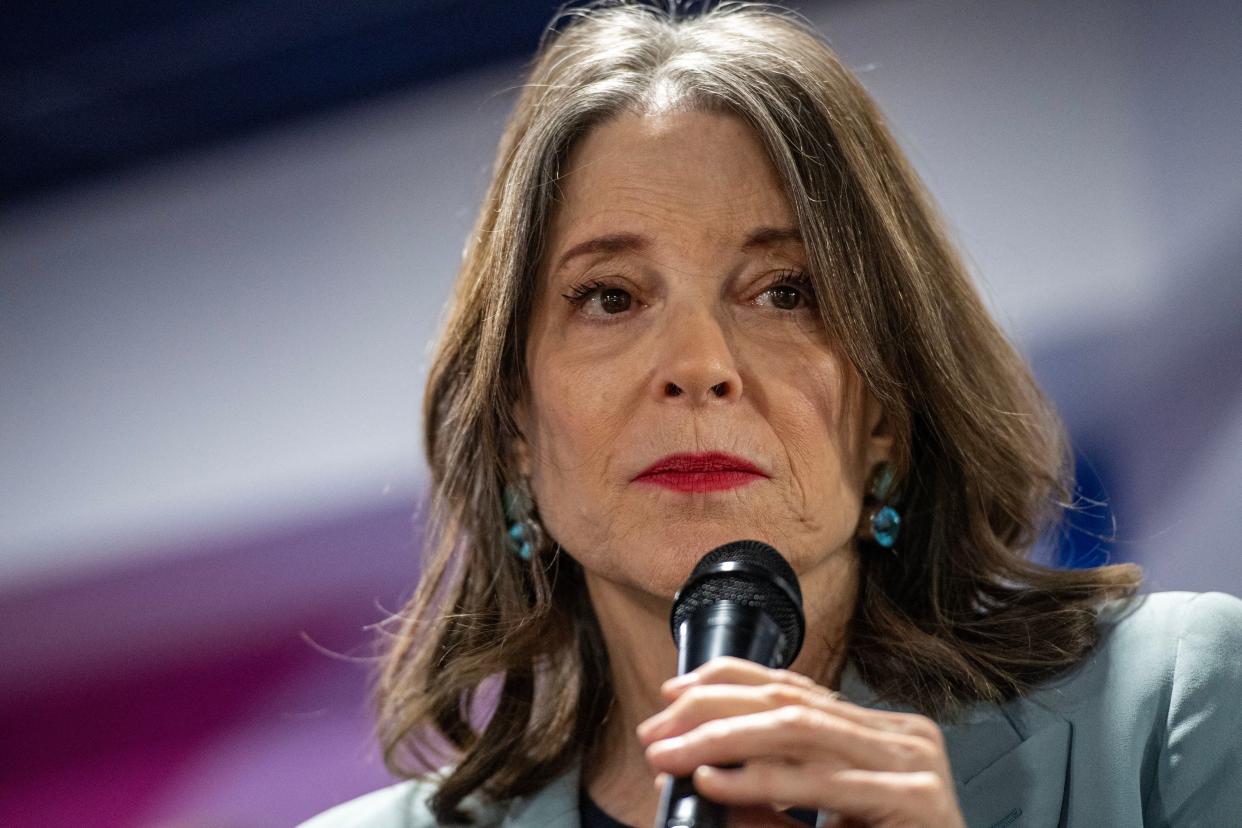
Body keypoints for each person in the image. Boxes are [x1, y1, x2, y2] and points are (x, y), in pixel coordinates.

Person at [301, 3, 1242, 826]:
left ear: (886, 410)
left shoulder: (1171, 708)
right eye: (612, 298)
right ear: (514, 425)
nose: (699, 368)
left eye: (785, 291)